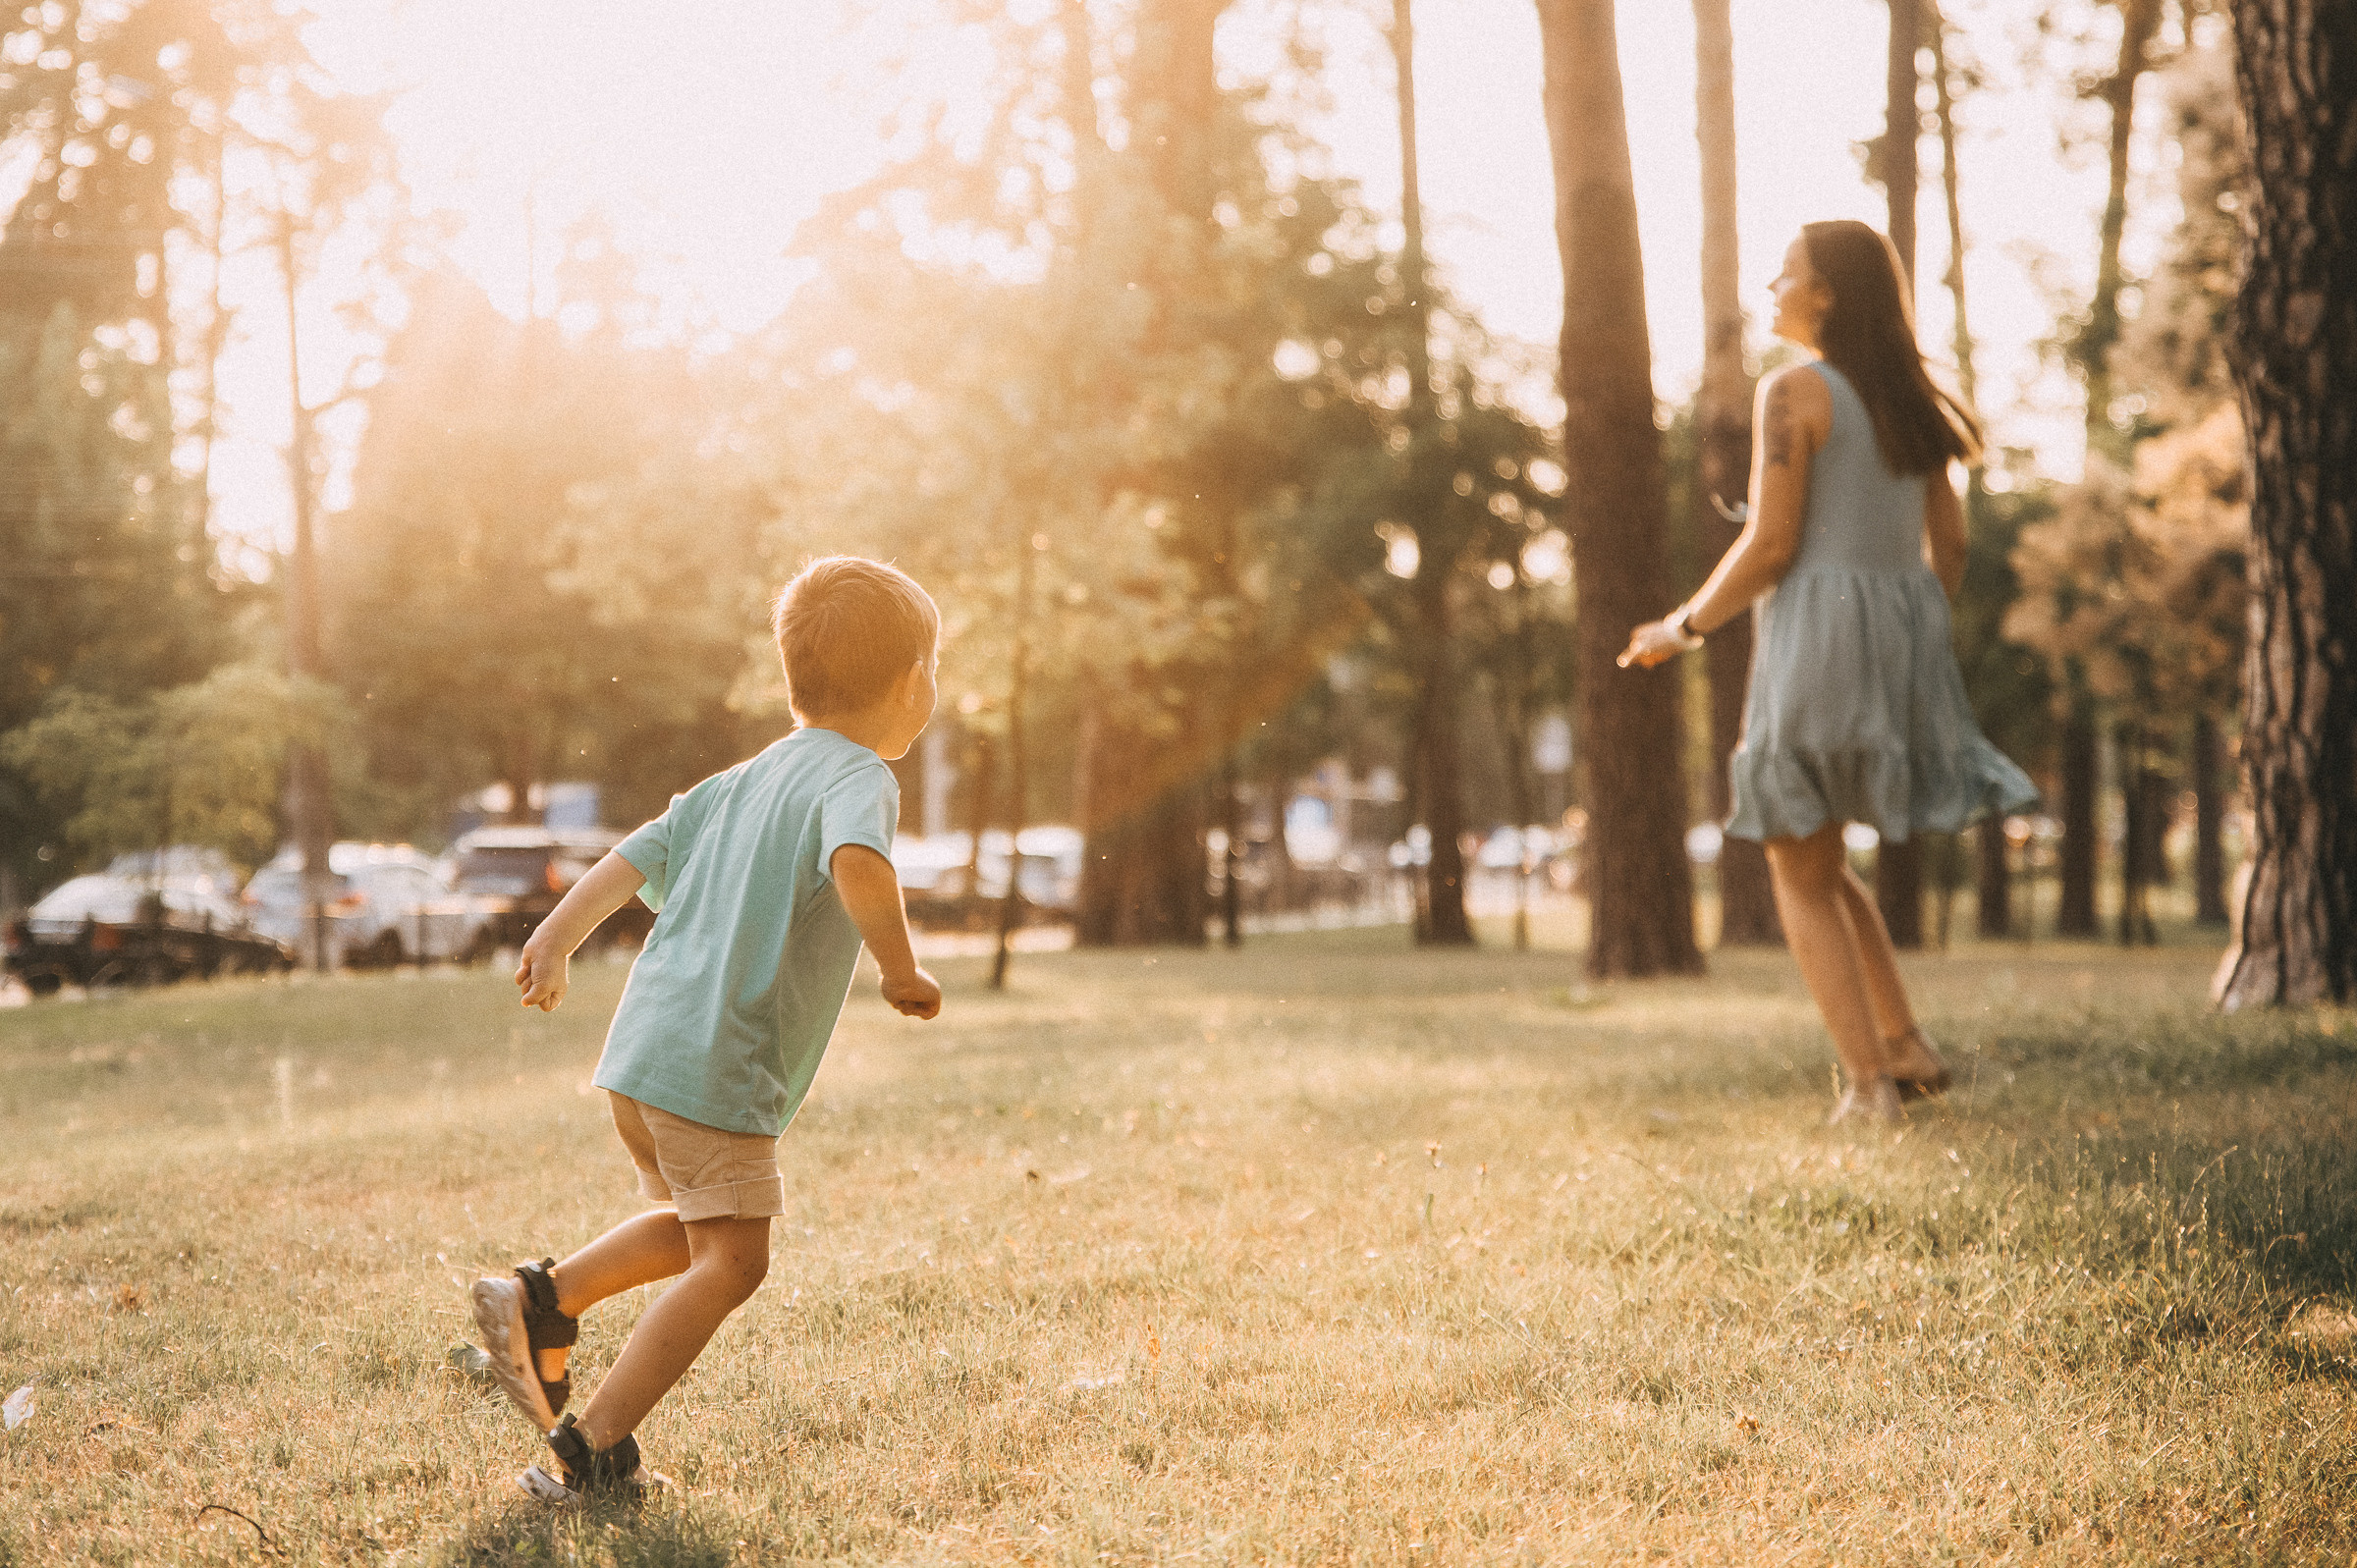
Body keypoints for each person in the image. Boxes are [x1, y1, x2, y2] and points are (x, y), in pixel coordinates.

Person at [470, 556, 944, 1501]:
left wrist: (556, 936)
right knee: (735, 1257)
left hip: (646, 1054)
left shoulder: (740, 778)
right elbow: (859, 861)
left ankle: (542, 1301)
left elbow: (629, 855)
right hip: (721, 1059)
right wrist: (899, 967)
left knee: (694, 1232)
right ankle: (586, 1451)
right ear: (906, 686)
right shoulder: (859, 778)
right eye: (934, 667)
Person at [1620, 220, 2036, 1124]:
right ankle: (1904, 1045)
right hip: (1897, 638)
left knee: (1793, 856)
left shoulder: (1792, 393)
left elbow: (1770, 545)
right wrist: (1909, 628)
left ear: (1828, 294)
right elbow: (1951, 546)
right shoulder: (1910, 399)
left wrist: (1681, 627)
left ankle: (1867, 1088)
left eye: (1787, 271)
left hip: (1816, 637)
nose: (1771, 285)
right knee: (1818, 852)